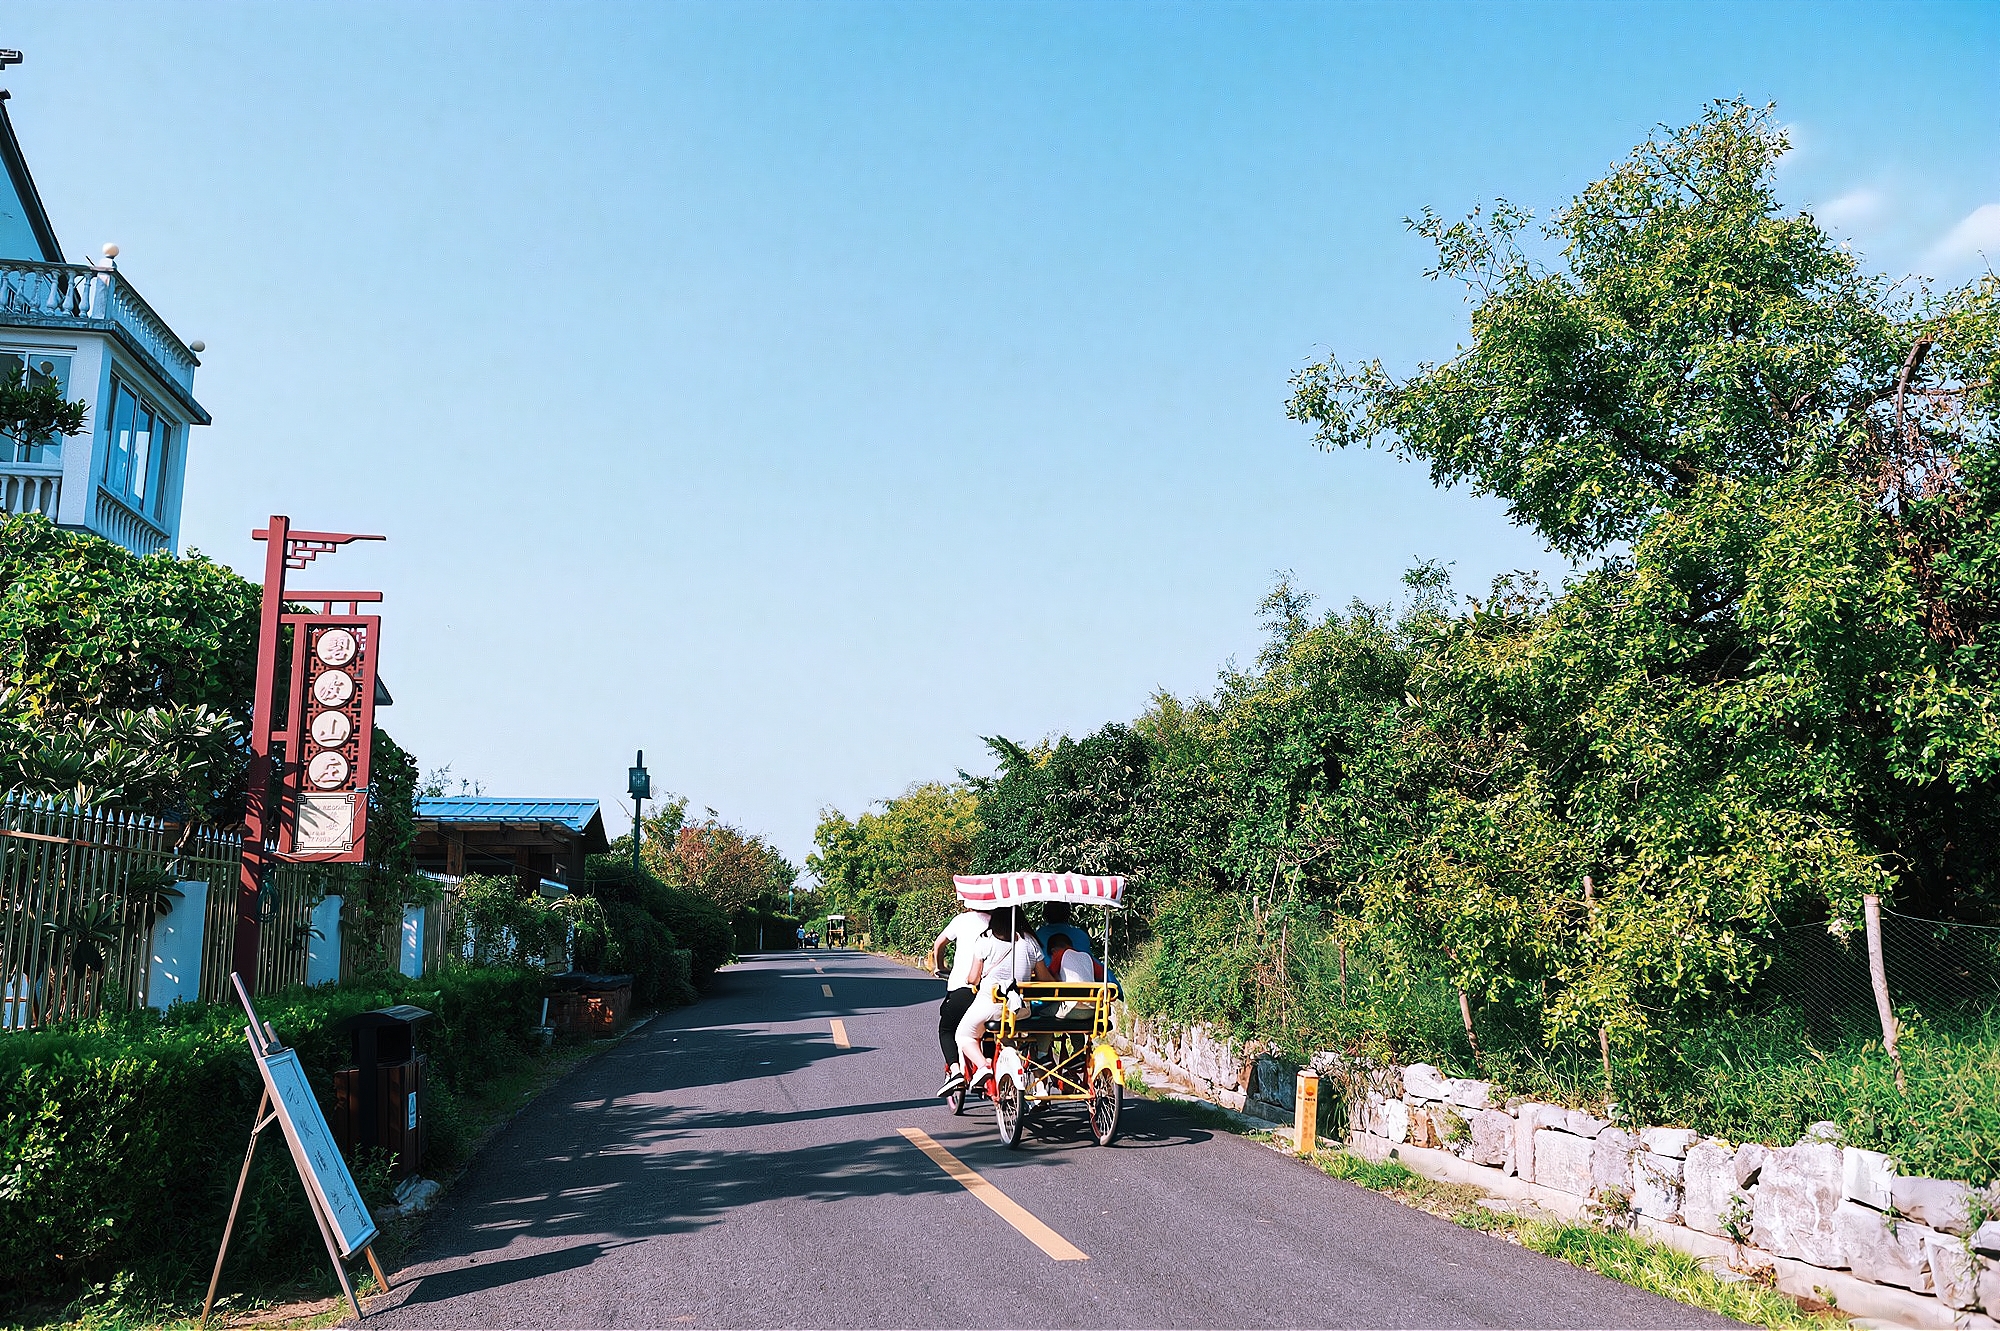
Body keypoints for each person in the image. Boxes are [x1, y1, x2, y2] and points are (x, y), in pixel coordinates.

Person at [944, 907, 1053, 1097]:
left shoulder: (986, 940)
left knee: (963, 1035)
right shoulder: (1030, 942)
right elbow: (1045, 979)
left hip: (991, 1005)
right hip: (1020, 1009)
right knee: (1012, 1034)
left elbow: (973, 979)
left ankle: (983, 1065)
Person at [929, 907, 989, 1092]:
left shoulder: (962, 920)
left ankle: (955, 1071)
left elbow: (939, 944)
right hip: (991, 991)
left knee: (947, 1029)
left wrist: (940, 966)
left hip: (964, 988)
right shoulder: (1000, 923)